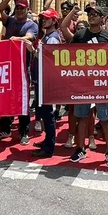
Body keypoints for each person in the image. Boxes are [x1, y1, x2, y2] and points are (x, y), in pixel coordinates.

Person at [62, 3, 108, 164]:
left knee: (105, 118)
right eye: (90, 15)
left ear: (101, 18)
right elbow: (65, 40)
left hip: (101, 84)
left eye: (95, 14)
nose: (92, 17)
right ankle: (80, 149)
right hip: (83, 83)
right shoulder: (79, 35)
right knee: (82, 117)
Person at [0, 0, 39, 142]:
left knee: (23, 100)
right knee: (5, 98)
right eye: (17, 8)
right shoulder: (10, 21)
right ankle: (5, 128)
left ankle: (24, 131)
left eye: (22, 8)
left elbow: (30, 38)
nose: (19, 10)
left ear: (27, 9)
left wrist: (17, 39)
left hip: (22, 68)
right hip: (7, 67)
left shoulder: (31, 25)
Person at [33, 9, 64, 158]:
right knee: (45, 114)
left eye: (46, 18)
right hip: (42, 79)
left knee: (48, 114)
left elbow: (50, 59)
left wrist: (33, 51)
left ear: (54, 21)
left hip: (47, 80)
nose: (43, 20)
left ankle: (49, 146)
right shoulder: (48, 36)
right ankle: (47, 141)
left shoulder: (52, 38)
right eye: (42, 18)